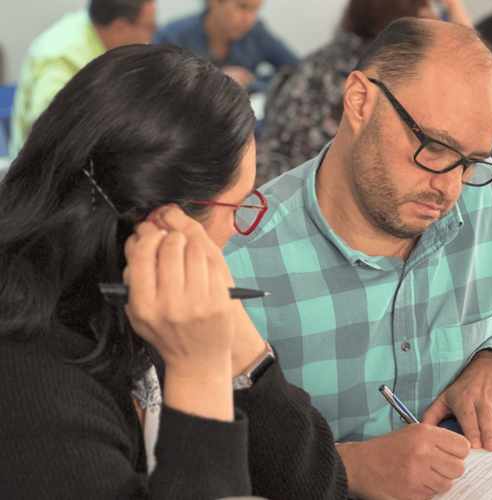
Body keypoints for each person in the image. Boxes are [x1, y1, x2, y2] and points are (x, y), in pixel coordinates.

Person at [225, 17, 492, 500]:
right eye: (435, 147)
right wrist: (345, 467)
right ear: (360, 101)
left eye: (472, 160)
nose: (449, 186)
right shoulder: (237, 257)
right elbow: (177, 459)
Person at [0, 44, 347, 499]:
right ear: (164, 223)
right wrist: (198, 369)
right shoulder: (31, 385)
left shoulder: (129, 295)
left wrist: (243, 351)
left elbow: (318, 490)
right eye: (238, 206)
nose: (238, 230)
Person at [254, 0, 471, 183]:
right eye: (428, 7)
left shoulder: (336, 53)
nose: (434, 15)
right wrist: (454, 6)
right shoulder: (379, 74)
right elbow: (469, 64)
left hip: (270, 177)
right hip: (303, 188)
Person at [9, 0, 156, 157]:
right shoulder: (60, 57)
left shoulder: (97, 33)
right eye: (149, 26)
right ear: (119, 29)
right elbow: (46, 129)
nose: (154, 32)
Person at [153, 0, 297, 93]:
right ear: (214, 2)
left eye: (256, 10)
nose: (250, 19)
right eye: (242, 6)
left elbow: (297, 69)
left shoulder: (256, 32)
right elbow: (160, 91)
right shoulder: (172, 37)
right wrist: (214, 81)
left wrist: (255, 81)